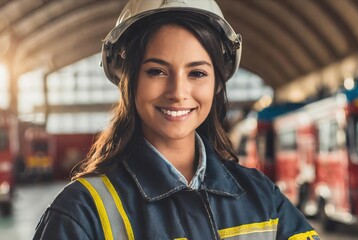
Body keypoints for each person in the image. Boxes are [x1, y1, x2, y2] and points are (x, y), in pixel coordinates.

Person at [33, 0, 320, 239]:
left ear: (217, 84)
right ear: (128, 82)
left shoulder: (262, 197)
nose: (178, 93)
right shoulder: (81, 213)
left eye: (197, 73)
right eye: (157, 71)